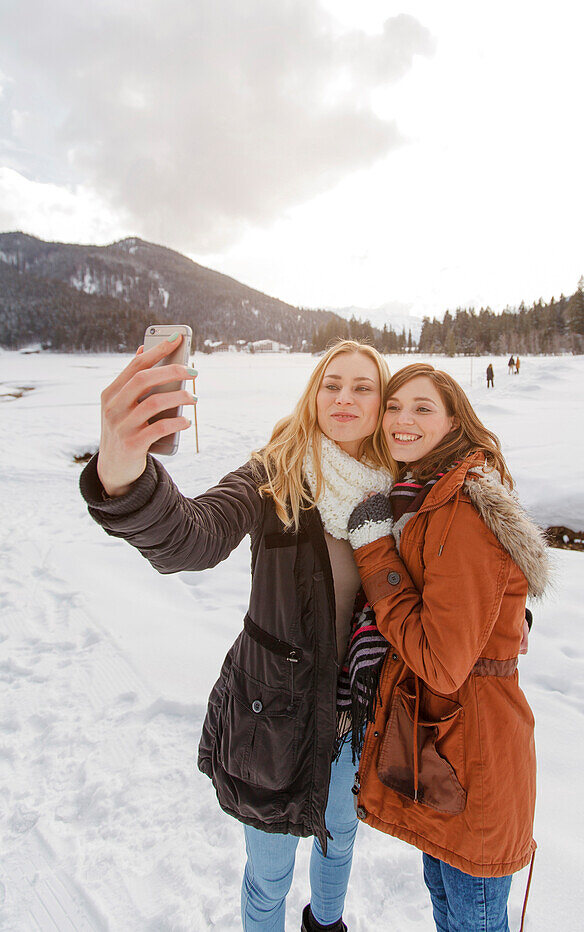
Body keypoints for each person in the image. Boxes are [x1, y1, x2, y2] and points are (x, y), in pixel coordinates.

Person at [79, 338, 396, 932]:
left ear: (382, 405)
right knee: (270, 873)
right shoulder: (274, 474)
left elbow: (445, 572)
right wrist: (126, 477)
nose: (345, 398)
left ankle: (326, 924)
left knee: (340, 839)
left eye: (363, 387)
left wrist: (507, 615)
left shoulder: (397, 492)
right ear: (313, 395)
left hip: (355, 714)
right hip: (272, 715)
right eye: (332, 384)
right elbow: (193, 536)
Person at [344, 363, 551, 932]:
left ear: (455, 418)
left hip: (473, 752)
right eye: (393, 406)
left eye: (422, 407)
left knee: (472, 918)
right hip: (446, 747)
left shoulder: (460, 507)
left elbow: (440, 660)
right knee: (450, 906)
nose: (401, 420)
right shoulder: (427, 494)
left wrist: (374, 551)